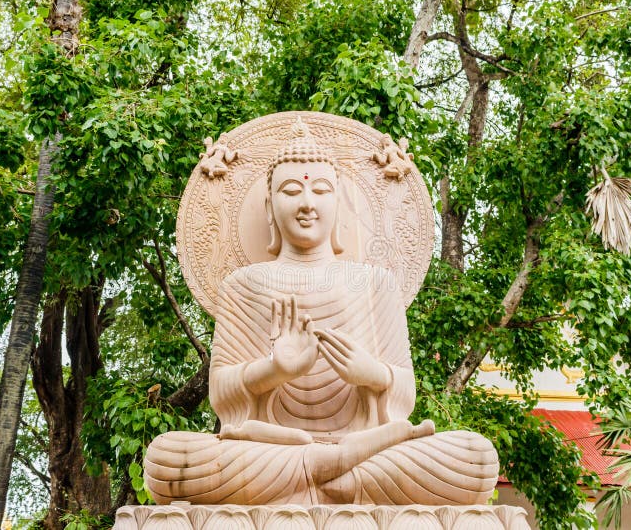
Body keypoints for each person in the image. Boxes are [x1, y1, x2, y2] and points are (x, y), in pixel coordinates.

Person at [144, 118, 498, 505]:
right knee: (166, 460)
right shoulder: (243, 285)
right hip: (272, 449)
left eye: (321, 190)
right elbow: (222, 394)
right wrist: (274, 370)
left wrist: (373, 373)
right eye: (291, 191)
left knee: (476, 458)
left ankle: (321, 472)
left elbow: (404, 392)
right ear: (269, 206)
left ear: (339, 203)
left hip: (363, 445)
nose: (307, 204)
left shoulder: (376, 283)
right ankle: (333, 471)